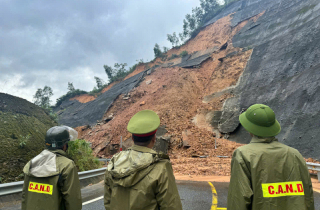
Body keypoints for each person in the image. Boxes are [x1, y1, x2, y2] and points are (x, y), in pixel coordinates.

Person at [227, 104, 315, 210]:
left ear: (249, 128)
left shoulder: (243, 155)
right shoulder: (295, 154)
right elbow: (308, 196)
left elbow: (238, 200)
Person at [104, 110, 183, 210]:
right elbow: (171, 206)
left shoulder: (115, 161)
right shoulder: (161, 166)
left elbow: (108, 202)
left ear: (132, 138)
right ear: (154, 138)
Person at [21, 126, 82, 210]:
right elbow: (73, 200)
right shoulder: (67, 165)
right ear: (64, 145)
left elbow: (25, 196)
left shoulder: (31, 163)